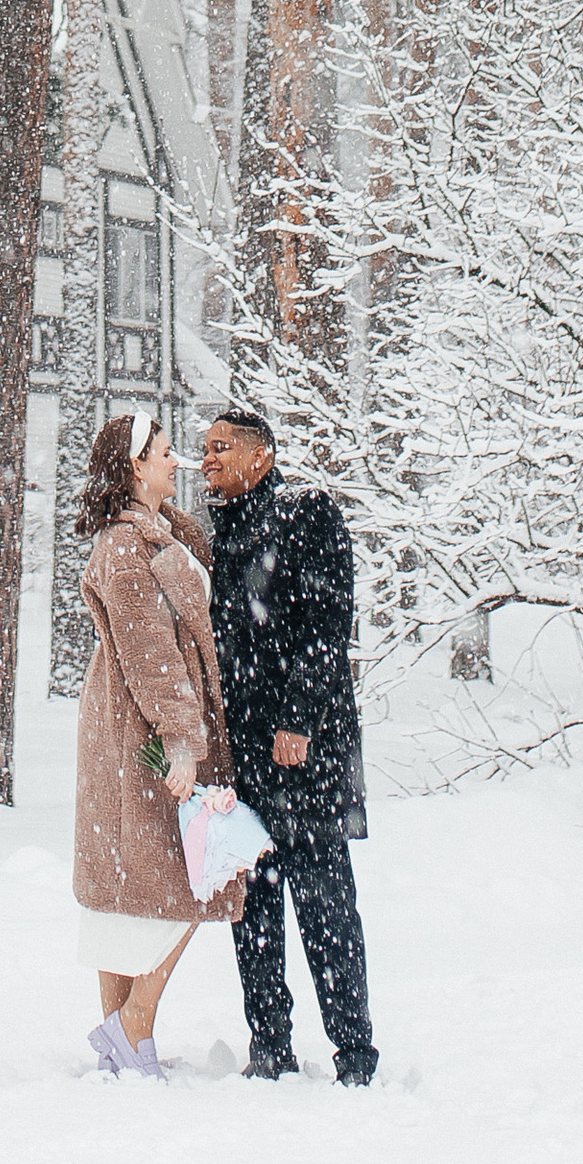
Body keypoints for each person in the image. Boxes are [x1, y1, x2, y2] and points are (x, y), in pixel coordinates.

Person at [200, 403, 379, 1088]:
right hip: (241, 757)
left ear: (262, 457)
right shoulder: (221, 532)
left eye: (222, 447)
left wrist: (297, 721)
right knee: (254, 906)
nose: (208, 458)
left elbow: (324, 626)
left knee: (325, 904)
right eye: (204, 448)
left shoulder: (308, 515)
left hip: (304, 753)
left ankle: (355, 1054)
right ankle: (268, 1045)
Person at [70, 409, 248, 1081]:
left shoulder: (164, 533)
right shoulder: (124, 547)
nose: (178, 462)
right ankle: (132, 1024)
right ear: (134, 467)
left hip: (139, 722)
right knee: (188, 879)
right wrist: (180, 740)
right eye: (166, 452)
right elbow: (150, 652)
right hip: (141, 730)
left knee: (133, 885)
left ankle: (129, 1046)